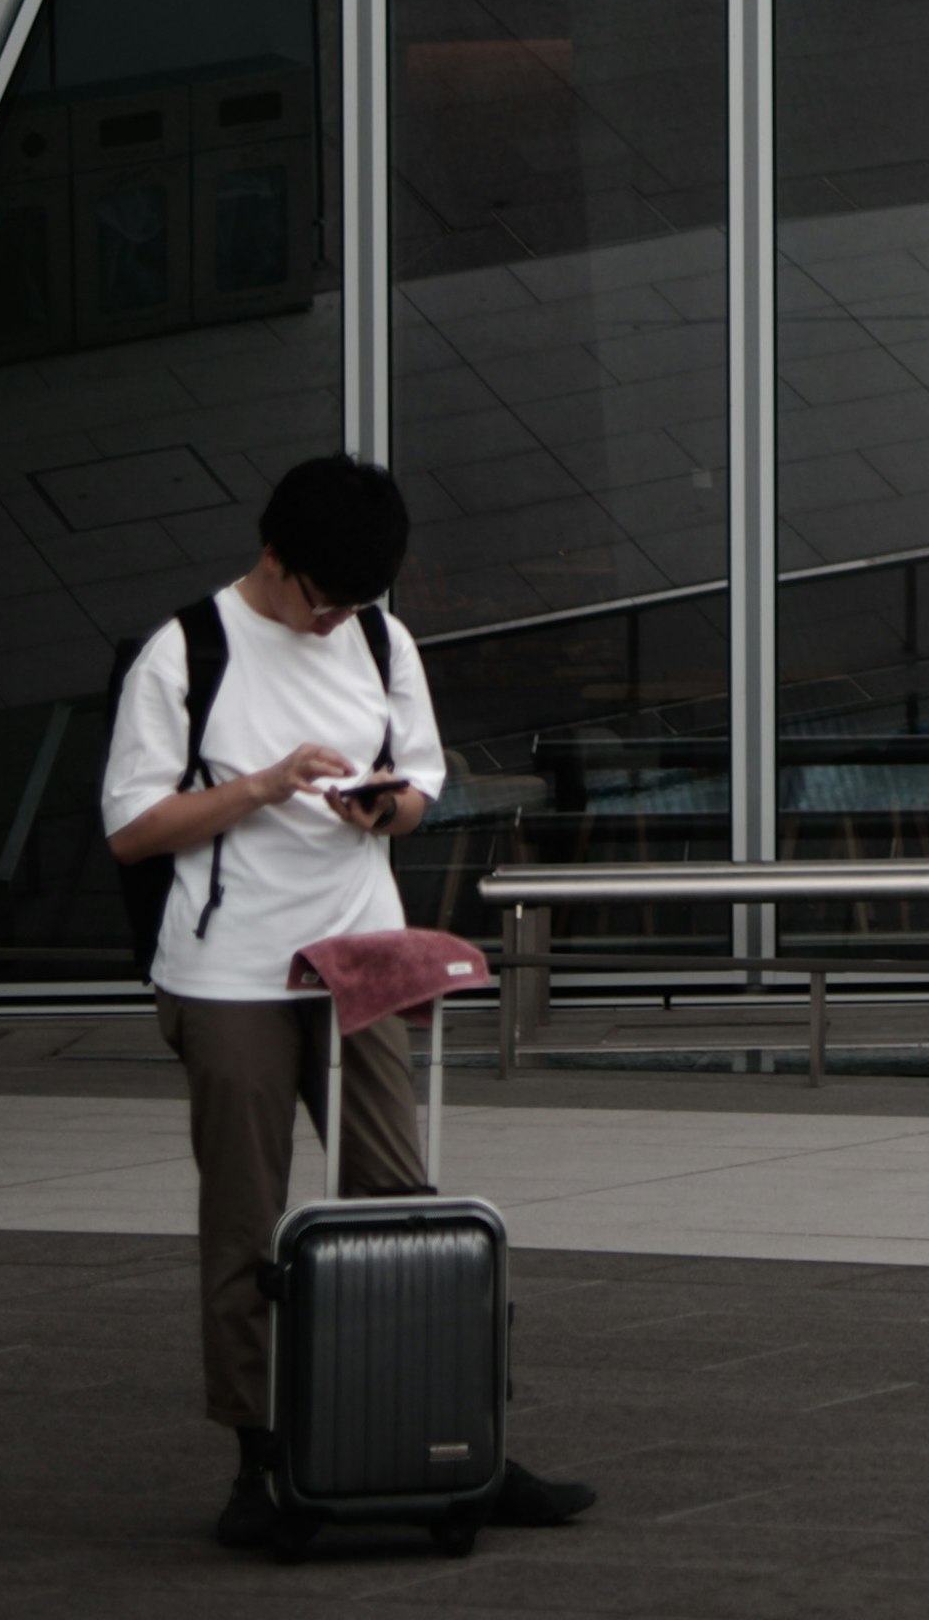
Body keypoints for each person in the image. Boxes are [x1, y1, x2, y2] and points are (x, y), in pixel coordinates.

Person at [99, 456, 592, 1553]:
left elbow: (420, 781)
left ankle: (446, 1436)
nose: (334, 622)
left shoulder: (380, 634)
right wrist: (266, 782)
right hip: (231, 970)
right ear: (274, 558)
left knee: (400, 1203)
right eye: (322, 599)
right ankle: (256, 1458)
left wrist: (389, 807)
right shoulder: (187, 650)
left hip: (361, 953)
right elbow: (132, 827)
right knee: (247, 1214)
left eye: (352, 604)